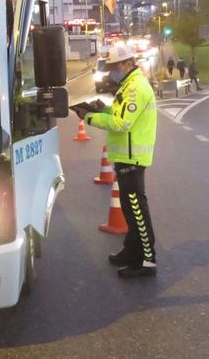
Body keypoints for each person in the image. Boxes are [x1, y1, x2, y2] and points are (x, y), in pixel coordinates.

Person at [72, 44, 159, 278]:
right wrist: (104, 109)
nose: (111, 71)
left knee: (137, 211)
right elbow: (119, 115)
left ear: (128, 63)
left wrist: (89, 117)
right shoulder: (127, 85)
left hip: (133, 157)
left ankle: (147, 261)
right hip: (124, 156)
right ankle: (130, 252)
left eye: (114, 67)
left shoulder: (135, 88)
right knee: (130, 211)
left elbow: (122, 124)